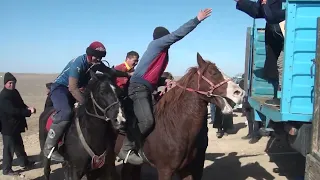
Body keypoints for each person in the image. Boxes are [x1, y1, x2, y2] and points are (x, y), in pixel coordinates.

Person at [117, 8, 213, 165]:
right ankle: (126, 148)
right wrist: (197, 19)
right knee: (147, 120)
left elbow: (150, 76)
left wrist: (165, 82)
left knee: (159, 119)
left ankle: (148, 149)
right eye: (167, 37)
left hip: (146, 88)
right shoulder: (157, 44)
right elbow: (177, 35)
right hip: (138, 88)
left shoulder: (161, 53)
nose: (169, 40)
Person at [43, 41, 130, 162]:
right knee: (66, 112)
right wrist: (85, 103)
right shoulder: (78, 63)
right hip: (61, 88)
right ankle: (49, 147)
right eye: (96, 56)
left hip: (76, 89)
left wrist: (127, 74)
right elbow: (72, 88)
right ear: (89, 54)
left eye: (100, 57)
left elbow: (111, 71)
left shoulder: (96, 63)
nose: (98, 59)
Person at [235, 0, 285, 106]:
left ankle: (284, 99)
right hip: (278, 40)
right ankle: (281, 97)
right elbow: (257, 11)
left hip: (290, 39)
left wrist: (265, 4)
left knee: (283, 65)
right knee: (279, 66)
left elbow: (272, 16)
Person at [0, 72, 36, 176]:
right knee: (8, 149)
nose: (12, 85)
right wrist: (28, 112)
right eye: (10, 83)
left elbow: (20, 103)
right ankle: (6, 170)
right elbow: (12, 111)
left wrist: (27, 108)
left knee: (19, 146)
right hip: (8, 128)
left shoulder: (14, 92)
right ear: (5, 83)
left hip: (15, 126)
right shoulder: (3, 96)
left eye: (14, 83)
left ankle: (24, 163)